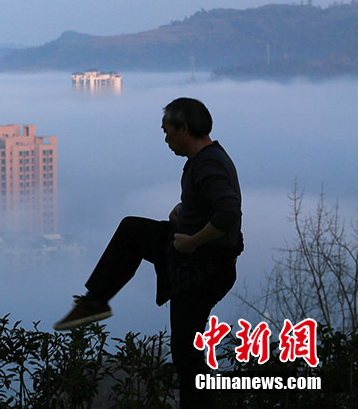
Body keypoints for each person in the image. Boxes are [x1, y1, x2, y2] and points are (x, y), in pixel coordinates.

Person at [53, 97, 242, 408]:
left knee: (186, 355)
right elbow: (214, 204)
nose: (165, 139)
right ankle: (95, 301)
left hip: (203, 269)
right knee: (132, 231)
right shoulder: (207, 159)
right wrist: (187, 210)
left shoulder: (208, 164)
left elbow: (229, 213)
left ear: (184, 129)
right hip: (191, 253)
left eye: (167, 132)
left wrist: (192, 241)